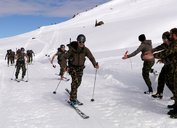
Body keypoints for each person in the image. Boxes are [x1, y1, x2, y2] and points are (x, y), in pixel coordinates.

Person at [65, 34, 99, 105]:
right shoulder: (72, 49)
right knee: (75, 82)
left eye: (83, 42)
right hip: (72, 67)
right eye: (80, 42)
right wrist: (66, 66)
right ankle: (73, 99)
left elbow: (91, 57)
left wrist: (95, 64)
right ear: (77, 41)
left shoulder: (85, 50)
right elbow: (65, 57)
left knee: (79, 82)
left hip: (80, 68)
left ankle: (73, 92)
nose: (81, 43)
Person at [154, 28, 177, 118]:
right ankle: (176, 105)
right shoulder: (171, 43)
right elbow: (170, 55)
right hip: (173, 67)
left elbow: (167, 52)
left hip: (173, 67)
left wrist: (153, 55)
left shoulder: (174, 44)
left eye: (171, 34)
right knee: (172, 84)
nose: (170, 36)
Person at [152, 31, 174, 99]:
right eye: (163, 39)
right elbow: (160, 47)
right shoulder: (166, 44)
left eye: (164, 39)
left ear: (168, 38)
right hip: (167, 64)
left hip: (173, 65)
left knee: (170, 81)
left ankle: (175, 95)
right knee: (161, 77)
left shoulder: (173, 45)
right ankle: (159, 93)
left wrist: (163, 60)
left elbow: (172, 58)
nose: (163, 41)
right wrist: (153, 50)